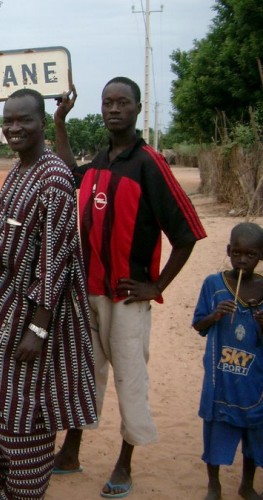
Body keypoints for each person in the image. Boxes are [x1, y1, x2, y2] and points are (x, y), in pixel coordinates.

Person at [51, 77, 207, 498]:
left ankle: (125, 463)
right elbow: (68, 173)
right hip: (90, 291)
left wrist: (155, 285)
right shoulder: (101, 159)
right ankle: (71, 451)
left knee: (130, 380)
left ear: (138, 109)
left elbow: (187, 234)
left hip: (126, 297)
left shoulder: (149, 164)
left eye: (123, 102)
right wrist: (60, 121)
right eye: (107, 102)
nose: (113, 109)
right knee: (86, 375)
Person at [0, 89, 98, 500]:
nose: (15, 129)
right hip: (5, 303)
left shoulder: (53, 178)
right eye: (10, 121)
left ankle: (25, 491)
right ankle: (5, 475)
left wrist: (37, 328)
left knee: (26, 405)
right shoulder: (22, 168)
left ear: (42, 123)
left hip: (34, 311)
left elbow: (55, 259)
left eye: (25, 121)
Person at [191, 222, 263, 500]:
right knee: (216, 429)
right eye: (236, 253)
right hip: (220, 377)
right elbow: (198, 325)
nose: (242, 260)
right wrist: (215, 315)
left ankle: (247, 484)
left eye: (250, 255)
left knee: (253, 430)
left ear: (260, 255)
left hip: (254, 379)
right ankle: (214, 485)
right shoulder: (214, 285)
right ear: (228, 251)